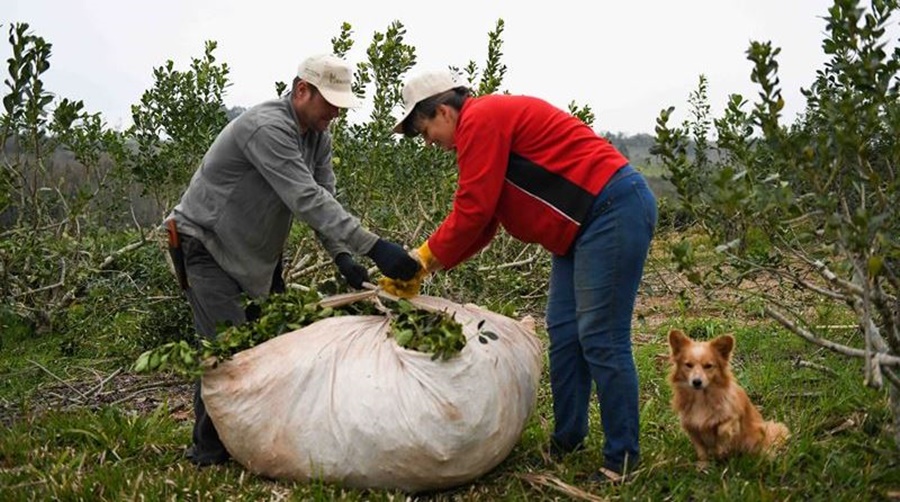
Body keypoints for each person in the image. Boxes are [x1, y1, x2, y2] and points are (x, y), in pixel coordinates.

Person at [386, 70, 658, 483]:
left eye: (426, 131)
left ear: (443, 110)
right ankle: (568, 439)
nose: (430, 143)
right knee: (565, 333)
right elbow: (485, 222)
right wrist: (429, 265)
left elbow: (473, 209)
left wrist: (423, 256)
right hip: (578, 230)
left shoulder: (480, 118)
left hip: (611, 210)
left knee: (601, 337)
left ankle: (621, 459)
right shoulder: (482, 127)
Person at [164, 54, 422, 467]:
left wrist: (342, 256)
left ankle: (254, 433)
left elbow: (324, 198)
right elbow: (304, 198)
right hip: (206, 244)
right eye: (329, 102)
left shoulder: (318, 136)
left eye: (341, 104)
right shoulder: (268, 127)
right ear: (302, 90)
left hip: (256, 252)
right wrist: (374, 246)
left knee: (270, 343)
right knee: (225, 348)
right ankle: (209, 451)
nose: (335, 113)